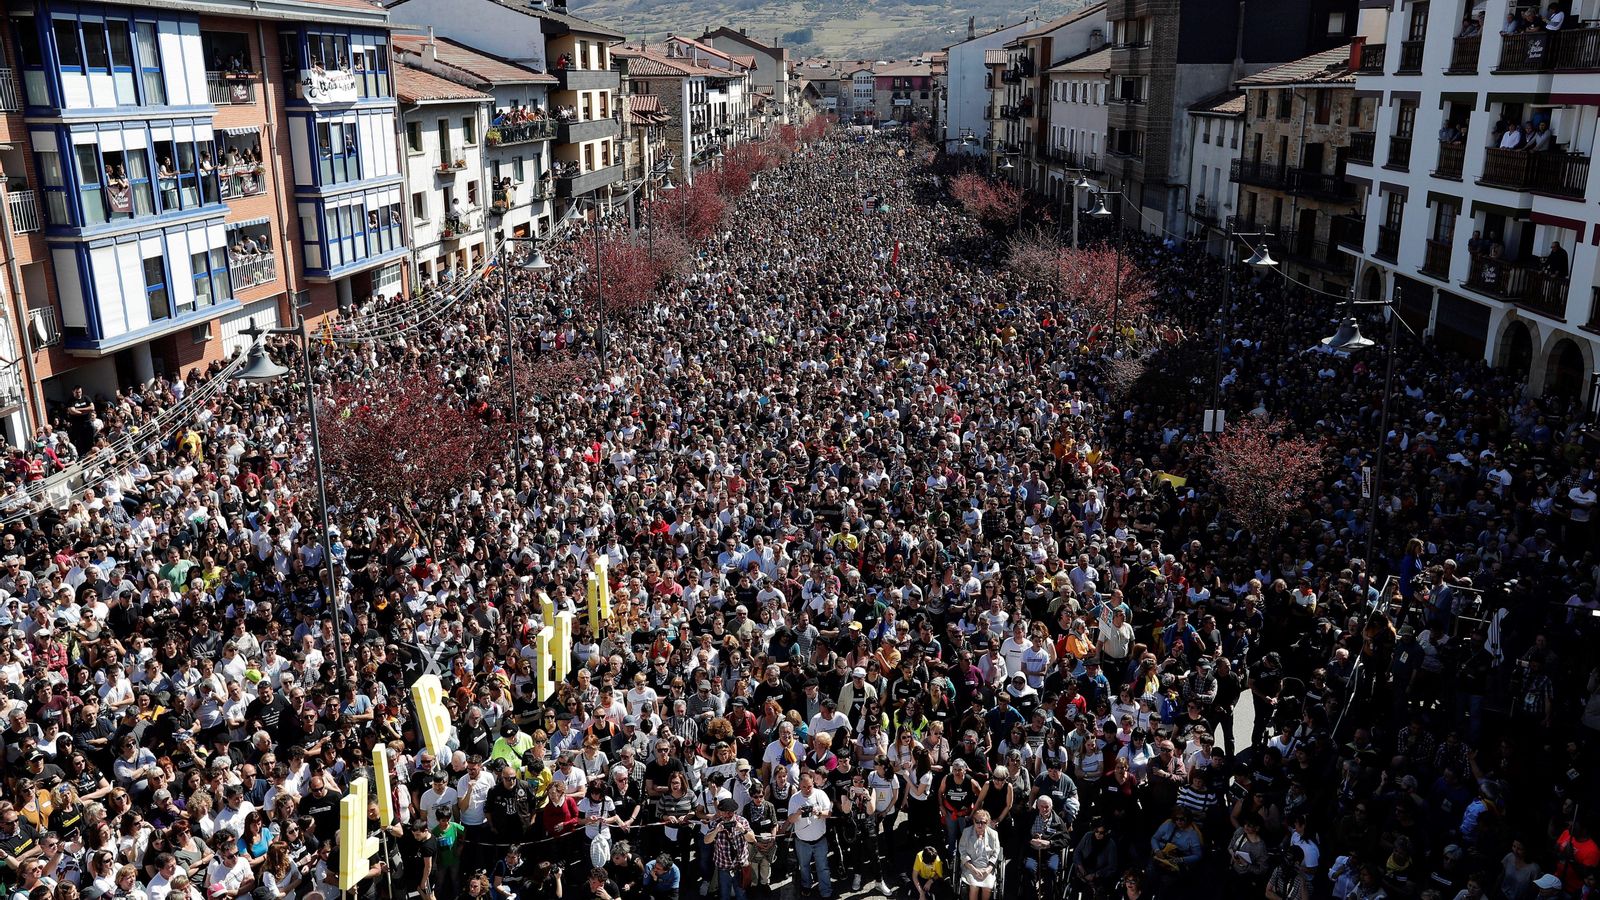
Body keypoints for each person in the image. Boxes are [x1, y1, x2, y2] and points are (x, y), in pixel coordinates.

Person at [786, 772, 832, 900]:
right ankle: (806, 886)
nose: (807, 789)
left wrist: (819, 813)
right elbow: (790, 819)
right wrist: (798, 813)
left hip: (820, 840)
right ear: (799, 785)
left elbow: (829, 813)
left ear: (813, 784)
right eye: (804, 787)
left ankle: (826, 890)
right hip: (802, 842)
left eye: (810, 786)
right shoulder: (795, 798)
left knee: (823, 867)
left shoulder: (820, 794)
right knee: (804, 866)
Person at [702, 797, 755, 900]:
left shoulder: (742, 821)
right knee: (724, 895)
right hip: (724, 867)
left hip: (740, 866)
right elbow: (706, 840)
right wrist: (716, 831)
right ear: (720, 812)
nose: (726, 816)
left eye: (729, 813)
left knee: (741, 894)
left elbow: (752, 839)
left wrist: (742, 830)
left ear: (734, 812)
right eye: (724, 813)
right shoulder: (717, 823)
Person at [956, 811, 1001, 900]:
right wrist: (973, 869)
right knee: (974, 886)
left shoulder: (993, 834)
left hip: (987, 867)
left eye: (983, 822)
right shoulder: (967, 832)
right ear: (973, 821)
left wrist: (988, 870)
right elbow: (962, 851)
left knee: (988, 887)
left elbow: (996, 853)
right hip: (970, 866)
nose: (980, 825)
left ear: (987, 822)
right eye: (977, 822)